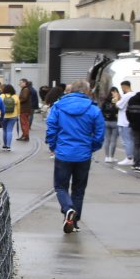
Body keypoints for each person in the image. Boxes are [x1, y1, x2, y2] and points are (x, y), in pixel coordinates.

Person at [45, 79, 104, 233]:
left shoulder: (58, 106)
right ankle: (74, 222)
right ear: (87, 91)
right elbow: (99, 133)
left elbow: (51, 127)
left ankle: (67, 208)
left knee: (60, 187)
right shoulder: (93, 109)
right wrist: (92, 147)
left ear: (71, 90)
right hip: (83, 155)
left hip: (63, 153)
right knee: (79, 189)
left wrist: (53, 146)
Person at [115, 80, 136, 165]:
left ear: (124, 87)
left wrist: (116, 98)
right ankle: (132, 157)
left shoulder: (127, 95)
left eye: (122, 88)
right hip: (130, 120)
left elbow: (118, 105)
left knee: (126, 140)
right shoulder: (134, 94)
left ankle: (129, 157)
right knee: (131, 140)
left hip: (124, 121)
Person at [100, 88, 122, 163]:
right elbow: (116, 109)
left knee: (107, 139)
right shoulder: (117, 101)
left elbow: (101, 111)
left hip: (106, 121)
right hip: (115, 121)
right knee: (113, 140)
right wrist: (116, 99)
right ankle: (111, 157)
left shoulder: (105, 101)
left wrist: (105, 116)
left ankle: (107, 157)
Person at [0, 82, 18, 151]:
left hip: (4, 115)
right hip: (13, 116)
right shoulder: (15, 96)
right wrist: (18, 114)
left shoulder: (2, 96)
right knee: (9, 130)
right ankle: (9, 146)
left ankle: (5, 144)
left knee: (4, 130)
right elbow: (18, 107)